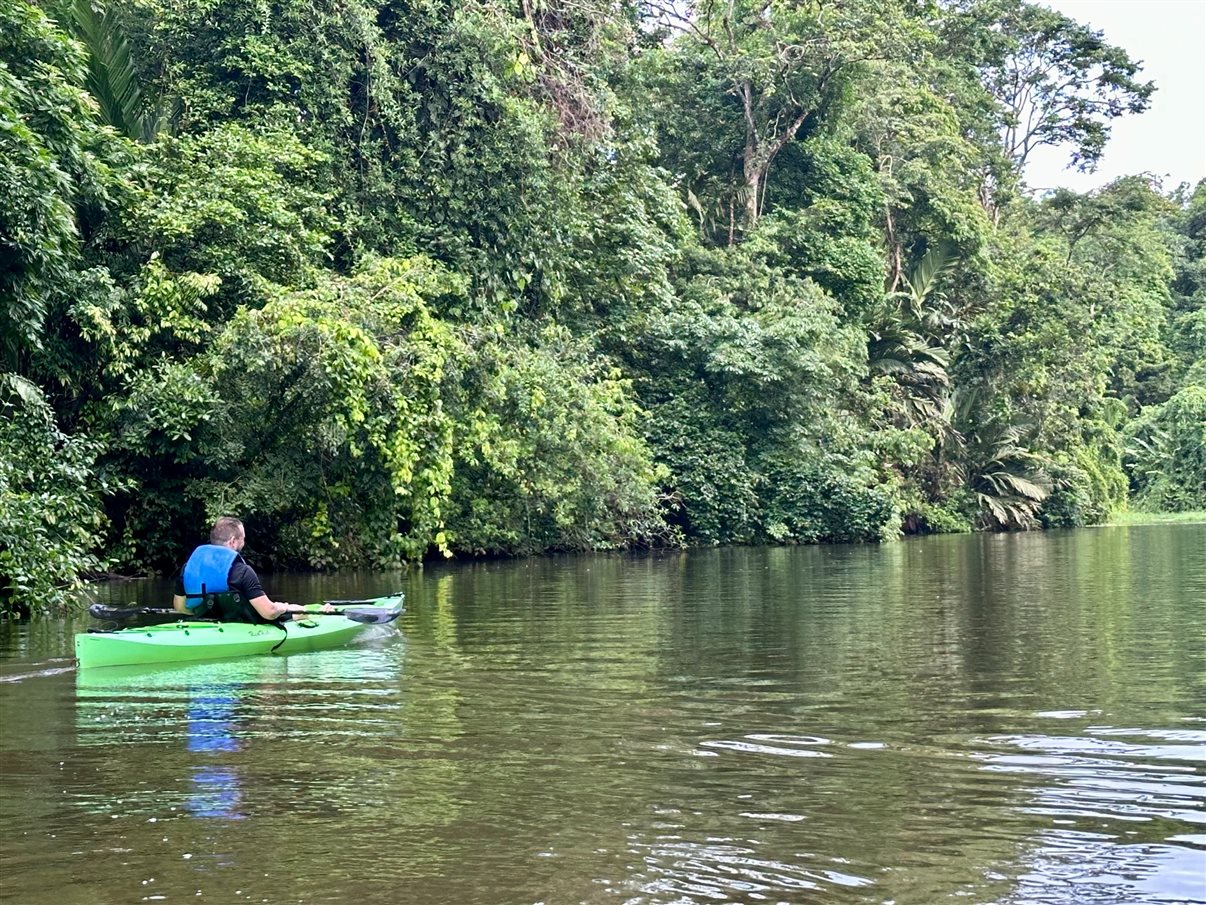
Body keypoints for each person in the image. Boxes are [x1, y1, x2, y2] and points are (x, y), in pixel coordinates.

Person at [172, 517, 313, 623]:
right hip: (242, 623)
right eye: (242, 539)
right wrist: (282, 607)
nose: (244, 543)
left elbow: (180, 608)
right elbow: (268, 613)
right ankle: (313, 612)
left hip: (203, 622)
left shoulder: (188, 568)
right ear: (233, 541)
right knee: (286, 610)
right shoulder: (242, 571)